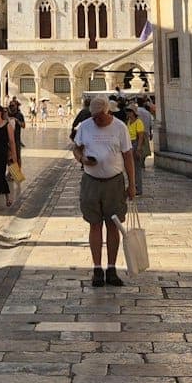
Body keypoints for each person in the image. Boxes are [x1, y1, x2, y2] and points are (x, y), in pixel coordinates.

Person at [71, 95, 135, 287]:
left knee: (113, 225)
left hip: (114, 183)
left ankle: (112, 268)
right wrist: (82, 160)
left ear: (107, 111)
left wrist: (131, 184)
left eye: (99, 116)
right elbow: (76, 148)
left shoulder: (120, 128)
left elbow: (128, 155)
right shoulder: (85, 126)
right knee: (94, 224)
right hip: (91, 181)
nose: (96, 120)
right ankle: (97, 269)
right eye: (94, 116)